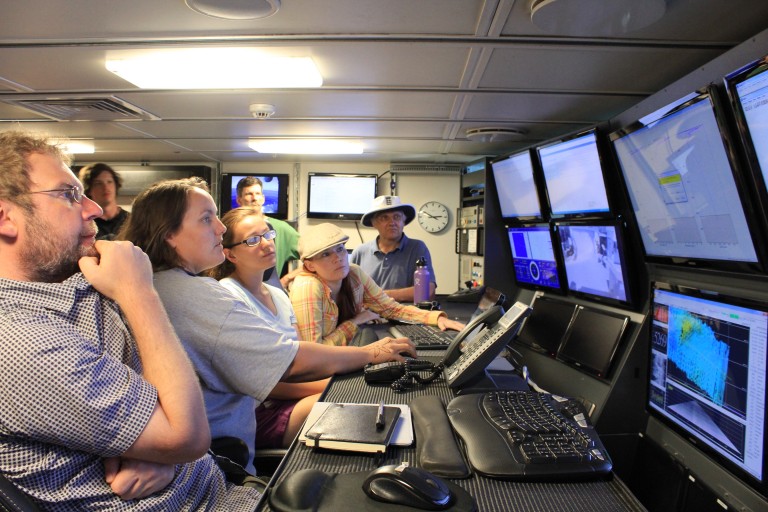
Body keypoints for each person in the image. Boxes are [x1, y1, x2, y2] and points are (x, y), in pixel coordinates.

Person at [0, 131, 260, 510]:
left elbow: (170, 425)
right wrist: (140, 293)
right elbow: (185, 436)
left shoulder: (81, 280)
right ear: (5, 218)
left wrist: (164, 455)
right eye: (68, 194)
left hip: (218, 485)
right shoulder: (19, 341)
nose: (94, 208)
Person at [120, 178, 415, 475]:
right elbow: (288, 362)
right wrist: (369, 354)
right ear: (169, 233)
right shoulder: (198, 295)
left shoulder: (157, 284)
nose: (220, 229)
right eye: (207, 219)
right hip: (221, 460)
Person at [207, 206, 328, 449]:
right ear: (230, 255)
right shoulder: (228, 295)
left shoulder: (277, 294)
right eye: (253, 240)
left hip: (286, 397)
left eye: (267, 234)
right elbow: (264, 384)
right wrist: (330, 385)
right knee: (334, 403)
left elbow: (298, 353)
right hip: (257, 411)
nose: (266, 244)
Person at [290, 222, 465, 346]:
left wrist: (436, 318)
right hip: (318, 372)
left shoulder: (354, 273)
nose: (338, 258)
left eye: (340, 249)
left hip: (342, 355)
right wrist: (356, 321)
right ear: (309, 265)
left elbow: (391, 308)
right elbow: (315, 353)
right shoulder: (307, 287)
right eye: (326, 254)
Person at [351, 195, 437, 302]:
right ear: (374, 223)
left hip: (405, 317)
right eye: (384, 218)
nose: (392, 223)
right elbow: (348, 291)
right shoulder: (360, 252)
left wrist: (380, 295)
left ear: (404, 221)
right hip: (368, 317)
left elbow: (428, 291)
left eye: (397, 217)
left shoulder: (417, 248)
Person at [235, 176, 300, 283]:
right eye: (249, 194)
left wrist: (286, 279)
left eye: (258, 193)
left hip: (269, 292)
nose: (254, 198)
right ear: (239, 200)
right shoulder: (230, 228)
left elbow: (315, 256)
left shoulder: (281, 228)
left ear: (263, 198)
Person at [78, 162, 130, 240]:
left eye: (109, 182)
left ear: (116, 186)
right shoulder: (84, 223)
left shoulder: (131, 220)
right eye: (98, 183)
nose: (105, 187)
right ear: (89, 190)